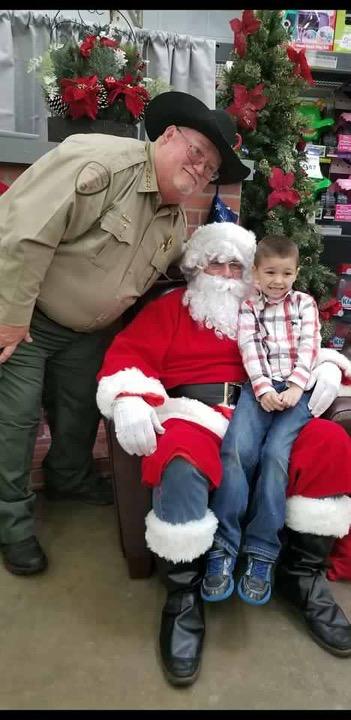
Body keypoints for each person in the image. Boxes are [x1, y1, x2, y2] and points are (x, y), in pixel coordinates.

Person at [0, 91, 250, 577]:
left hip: (88, 332)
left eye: (210, 169)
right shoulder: (98, 163)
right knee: (16, 422)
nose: (199, 171)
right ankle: (12, 523)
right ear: (169, 135)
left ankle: (69, 480)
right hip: (28, 320)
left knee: (76, 416)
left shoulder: (174, 221)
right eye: (196, 153)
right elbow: (21, 233)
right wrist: (10, 316)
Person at [96, 222, 351, 686]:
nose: (228, 273)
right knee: (177, 455)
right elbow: (128, 357)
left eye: (237, 265)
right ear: (196, 267)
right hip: (196, 412)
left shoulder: (269, 309)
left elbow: (308, 343)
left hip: (270, 407)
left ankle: (302, 575)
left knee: (331, 444)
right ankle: (184, 592)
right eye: (217, 262)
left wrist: (330, 367)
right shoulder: (171, 308)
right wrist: (129, 397)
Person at [201, 235, 321, 606]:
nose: (278, 280)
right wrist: (263, 387)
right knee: (236, 450)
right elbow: (249, 347)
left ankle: (261, 552)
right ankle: (223, 546)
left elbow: (310, 346)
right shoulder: (250, 308)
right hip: (260, 389)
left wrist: (297, 388)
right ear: (255, 272)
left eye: (286, 273)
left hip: (297, 392)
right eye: (270, 272)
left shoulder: (305, 304)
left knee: (274, 456)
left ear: (296, 273)